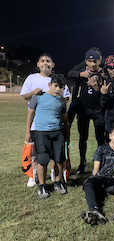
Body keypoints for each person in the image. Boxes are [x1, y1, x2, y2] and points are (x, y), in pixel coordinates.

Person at [20, 53, 70, 187]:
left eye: (48, 61)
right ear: (38, 64)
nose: (45, 63)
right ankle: (33, 175)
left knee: (55, 153)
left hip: (55, 123)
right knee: (38, 153)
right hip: (38, 122)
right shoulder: (32, 78)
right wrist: (33, 92)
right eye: (42, 61)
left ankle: (55, 173)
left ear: (53, 65)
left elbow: (65, 98)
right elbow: (25, 96)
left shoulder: (57, 80)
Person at [72, 49, 107, 174]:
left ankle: (101, 164)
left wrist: (99, 85)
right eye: (90, 61)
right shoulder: (83, 72)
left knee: (101, 139)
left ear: (100, 60)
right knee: (83, 137)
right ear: (86, 61)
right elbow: (70, 73)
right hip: (83, 110)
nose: (92, 64)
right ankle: (82, 164)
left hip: (98, 110)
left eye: (95, 61)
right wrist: (82, 75)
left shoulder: (104, 72)